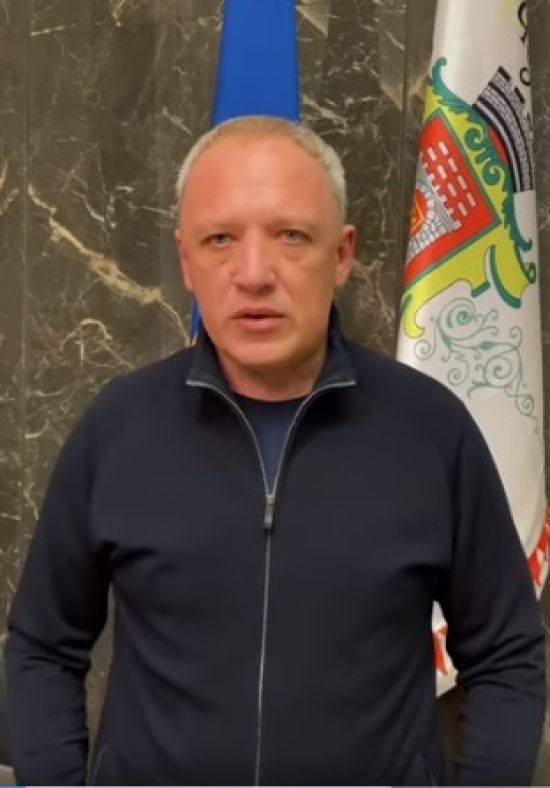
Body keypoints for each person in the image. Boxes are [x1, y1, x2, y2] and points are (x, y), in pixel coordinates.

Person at [6, 116, 545, 786]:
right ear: (185, 260)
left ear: (342, 255)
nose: (254, 274)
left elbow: (507, 656)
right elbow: (42, 647)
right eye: (220, 239)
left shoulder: (431, 430)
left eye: (291, 236)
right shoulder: (118, 427)